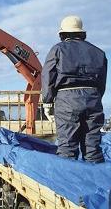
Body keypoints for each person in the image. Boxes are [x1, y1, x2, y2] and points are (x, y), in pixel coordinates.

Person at [42, 15, 107, 163]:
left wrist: (47, 102)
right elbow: (102, 83)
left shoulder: (57, 49)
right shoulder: (98, 52)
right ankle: (94, 183)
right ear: (81, 32)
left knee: (67, 148)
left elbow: (48, 76)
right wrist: (94, 98)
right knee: (93, 148)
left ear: (62, 33)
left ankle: (66, 184)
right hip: (93, 98)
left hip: (67, 100)